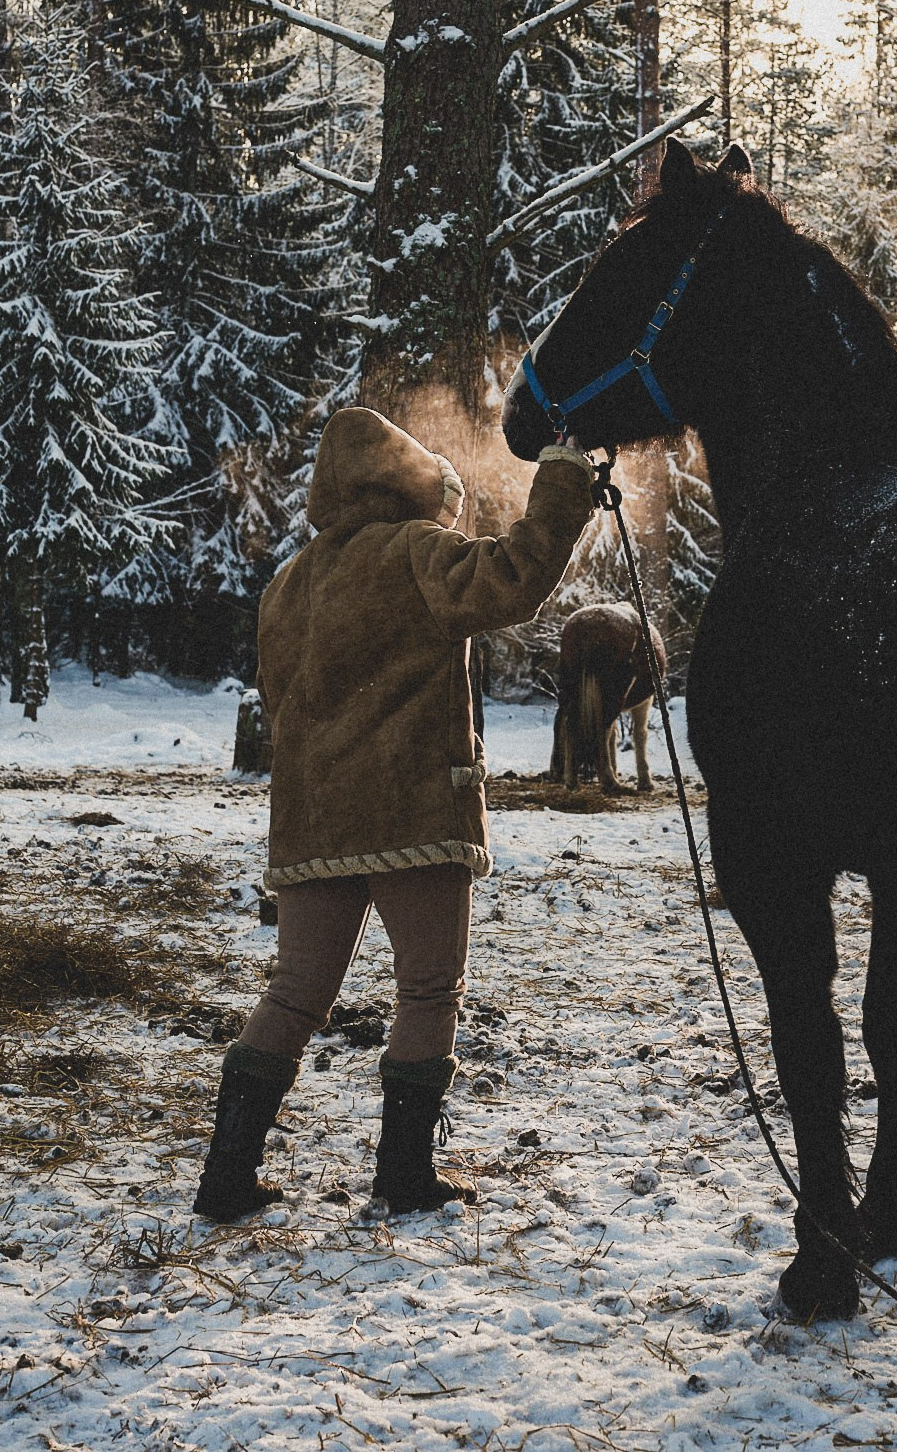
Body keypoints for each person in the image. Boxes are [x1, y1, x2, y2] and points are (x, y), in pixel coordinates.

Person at [193, 406, 593, 1223]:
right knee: (428, 992)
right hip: (412, 811)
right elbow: (517, 575)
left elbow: (281, 702)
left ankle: (225, 1177)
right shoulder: (415, 552)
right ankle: (402, 1176)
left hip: (313, 823)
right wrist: (565, 478)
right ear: (410, 483)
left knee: (296, 993)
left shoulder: (286, 584)